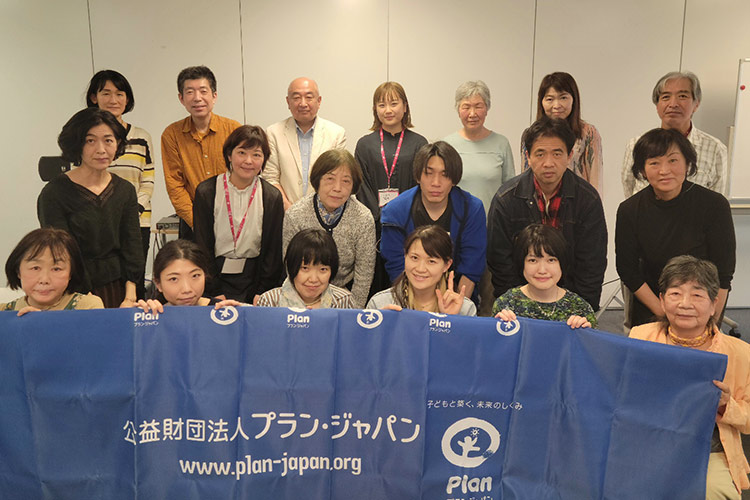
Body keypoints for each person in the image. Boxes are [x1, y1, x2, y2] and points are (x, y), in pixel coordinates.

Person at [629, 256, 749, 498]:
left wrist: (726, 405)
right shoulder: (641, 337)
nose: (685, 304)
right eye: (675, 293)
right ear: (662, 300)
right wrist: (580, 332)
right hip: (651, 441)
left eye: (697, 295)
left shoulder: (740, 352)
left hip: (709, 448)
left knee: (714, 491)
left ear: (714, 304)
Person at [615, 128, 735, 328]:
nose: (664, 170)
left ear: (687, 164)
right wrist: (665, 313)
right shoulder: (629, 209)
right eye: (654, 163)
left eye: (673, 160)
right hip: (653, 302)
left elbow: (724, 272)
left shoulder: (714, 205)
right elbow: (628, 270)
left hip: (702, 305)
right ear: (642, 170)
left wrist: (710, 320)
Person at [487, 117, 607, 311]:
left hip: (572, 305)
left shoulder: (587, 199)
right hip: (518, 305)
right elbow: (500, 263)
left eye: (557, 154)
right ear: (528, 156)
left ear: (569, 156)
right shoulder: (506, 198)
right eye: (540, 154)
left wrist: (580, 311)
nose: (548, 163)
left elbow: (592, 264)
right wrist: (516, 307)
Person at [38, 108, 143, 308]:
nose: (101, 149)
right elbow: (61, 252)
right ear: (77, 144)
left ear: (118, 143)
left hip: (119, 289)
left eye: (108, 140)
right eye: (90, 141)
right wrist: (87, 299)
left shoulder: (125, 190)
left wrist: (130, 296)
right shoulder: (54, 193)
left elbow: (132, 245)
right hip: (73, 290)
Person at [380, 141, 486, 302]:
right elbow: (396, 267)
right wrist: (415, 308)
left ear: (454, 179)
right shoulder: (395, 212)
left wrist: (456, 307)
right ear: (418, 176)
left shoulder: (471, 209)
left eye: (445, 175)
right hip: (408, 297)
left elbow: (472, 267)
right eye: (428, 173)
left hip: (456, 294)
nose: (436, 183)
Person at [193, 125, 284, 303]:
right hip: (214, 277)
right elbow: (202, 245)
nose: (248, 161)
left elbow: (273, 251)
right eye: (242, 153)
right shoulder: (207, 191)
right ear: (229, 155)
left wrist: (262, 291)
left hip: (255, 278)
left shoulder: (271, 196)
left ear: (264, 159)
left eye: (256, 155)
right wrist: (214, 289)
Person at [283, 149, 375, 308]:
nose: (337, 188)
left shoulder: (363, 218)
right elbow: (290, 266)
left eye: (346, 181)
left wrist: (352, 311)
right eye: (330, 179)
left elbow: (364, 274)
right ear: (317, 180)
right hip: (301, 295)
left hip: (344, 296)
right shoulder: (295, 215)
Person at [161, 66, 241, 237]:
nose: (197, 98)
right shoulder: (172, 134)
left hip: (233, 216)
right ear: (181, 98)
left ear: (214, 96)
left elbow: (243, 174)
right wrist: (197, 223)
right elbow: (175, 184)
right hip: (192, 221)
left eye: (203, 91)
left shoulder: (233, 130)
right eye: (190, 92)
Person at [86, 70, 155, 267]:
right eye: (106, 93)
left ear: (127, 99)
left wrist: (133, 211)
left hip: (137, 222)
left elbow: (148, 180)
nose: (113, 100)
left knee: (135, 277)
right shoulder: (85, 137)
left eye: (119, 94)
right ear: (94, 97)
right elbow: (82, 178)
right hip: (98, 222)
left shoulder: (142, 137)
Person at [621, 71, 728, 197]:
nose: (673, 104)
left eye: (682, 96)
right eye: (666, 97)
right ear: (657, 105)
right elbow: (629, 188)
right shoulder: (636, 145)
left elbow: (716, 199)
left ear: (696, 104)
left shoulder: (715, 149)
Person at [262, 77, 346, 210]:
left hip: (324, 212)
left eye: (309, 97)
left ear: (319, 101)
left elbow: (338, 179)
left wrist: (318, 212)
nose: (303, 103)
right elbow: (270, 178)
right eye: (296, 98)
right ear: (288, 102)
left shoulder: (336, 134)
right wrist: (290, 211)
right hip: (285, 212)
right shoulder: (273, 133)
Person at [492, 224, 596, 328]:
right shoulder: (506, 304)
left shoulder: (580, 308)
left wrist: (585, 332)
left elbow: (594, 338)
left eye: (551, 260)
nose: (542, 270)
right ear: (521, 263)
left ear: (562, 262)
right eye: (533, 260)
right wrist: (498, 328)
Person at [521, 72, 603, 196]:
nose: (556, 105)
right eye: (550, 99)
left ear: (573, 99)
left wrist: (593, 203)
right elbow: (525, 176)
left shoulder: (588, 133)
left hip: (578, 201)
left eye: (563, 98)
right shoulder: (530, 134)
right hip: (539, 202)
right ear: (541, 102)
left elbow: (595, 179)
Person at [355, 81, 428, 219]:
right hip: (373, 221)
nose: (388, 110)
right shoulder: (365, 145)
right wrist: (378, 216)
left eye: (394, 104)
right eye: (382, 105)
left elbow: (422, 185)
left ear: (405, 106)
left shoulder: (419, 144)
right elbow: (362, 187)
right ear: (375, 109)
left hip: (410, 219)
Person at [367, 225, 476, 316]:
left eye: (431, 261)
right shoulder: (380, 304)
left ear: (447, 265)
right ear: (405, 256)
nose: (420, 269)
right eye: (414, 258)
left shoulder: (465, 309)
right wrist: (382, 327)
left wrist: (451, 320)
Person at [443, 80, 515, 212]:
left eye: (478, 106)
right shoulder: (447, 145)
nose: (472, 114)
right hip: (457, 220)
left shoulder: (501, 143)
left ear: (487, 109)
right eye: (466, 107)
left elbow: (510, 191)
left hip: (492, 221)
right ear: (458, 110)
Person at [2, 228, 104, 315]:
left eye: (56, 269)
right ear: (18, 271)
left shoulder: (87, 307)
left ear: (71, 273)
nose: (44, 280)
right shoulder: (3, 312)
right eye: (35, 268)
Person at [130, 240, 241, 313]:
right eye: (174, 279)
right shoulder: (151, 314)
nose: (187, 289)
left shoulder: (221, 310)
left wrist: (239, 317)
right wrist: (132, 318)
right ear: (158, 284)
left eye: (195, 276)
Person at [257, 228, 355, 309]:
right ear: (291, 266)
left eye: (323, 269)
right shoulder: (270, 301)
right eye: (305, 268)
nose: (313, 279)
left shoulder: (344, 301)